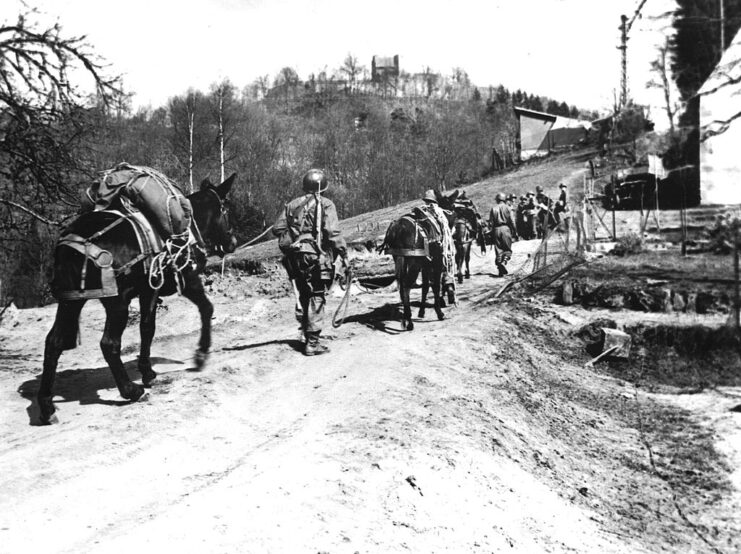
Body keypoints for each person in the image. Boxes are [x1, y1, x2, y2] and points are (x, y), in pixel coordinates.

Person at [273, 169, 347, 356]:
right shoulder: (326, 204)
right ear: (323, 187)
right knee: (317, 294)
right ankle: (312, 343)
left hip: (296, 256)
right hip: (316, 254)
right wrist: (343, 252)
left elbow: (277, 228)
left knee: (305, 293)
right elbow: (332, 232)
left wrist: (296, 233)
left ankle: (307, 335)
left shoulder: (292, 205)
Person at [420, 189, 456, 298]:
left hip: (429, 247)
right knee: (448, 263)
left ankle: (439, 295)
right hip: (444, 245)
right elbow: (452, 229)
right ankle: (449, 284)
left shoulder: (422, 214)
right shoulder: (443, 213)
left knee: (432, 272)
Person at [488, 192, 517, 276]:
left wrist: (491, 232)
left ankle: (500, 268)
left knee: (498, 249)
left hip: (496, 229)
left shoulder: (493, 208)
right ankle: (504, 262)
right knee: (507, 248)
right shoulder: (508, 208)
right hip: (506, 229)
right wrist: (515, 231)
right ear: (504, 200)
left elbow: (490, 223)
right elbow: (512, 221)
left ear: (497, 199)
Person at [554, 182, 573, 250]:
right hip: (564, 212)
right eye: (561, 187)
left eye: (564, 187)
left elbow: (565, 202)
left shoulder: (565, 193)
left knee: (568, 228)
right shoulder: (562, 194)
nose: (562, 188)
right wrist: (558, 203)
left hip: (566, 211)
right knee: (567, 227)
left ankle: (569, 244)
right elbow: (562, 202)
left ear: (565, 187)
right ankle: (567, 242)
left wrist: (559, 203)